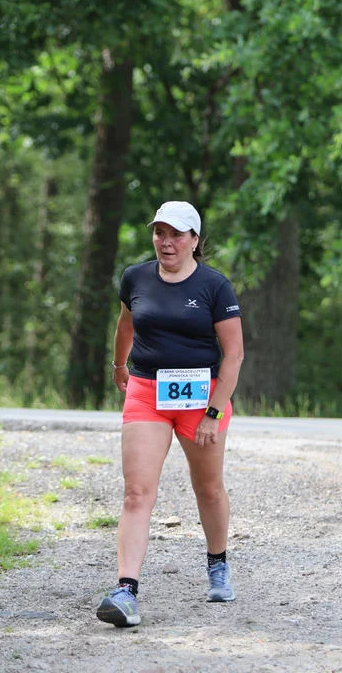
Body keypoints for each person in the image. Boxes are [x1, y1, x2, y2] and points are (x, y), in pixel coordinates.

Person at [95, 200, 245, 628]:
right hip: (146, 391)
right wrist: (119, 364)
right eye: (159, 232)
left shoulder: (215, 287)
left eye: (176, 234)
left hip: (201, 398)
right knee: (136, 493)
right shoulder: (135, 277)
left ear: (195, 240)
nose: (166, 242)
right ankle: (126, 590)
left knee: (209, 489)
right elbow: (127, 323)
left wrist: (214, 413)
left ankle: (217, 562)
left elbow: (233, 355)